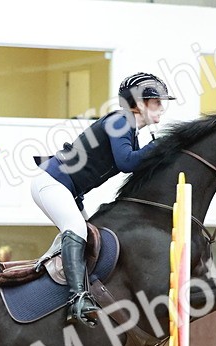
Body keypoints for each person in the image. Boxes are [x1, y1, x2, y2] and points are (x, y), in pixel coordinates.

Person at [31, 72, 174, 326]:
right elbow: (127, 162)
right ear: (139, 103)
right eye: (156, 102)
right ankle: (77, 299)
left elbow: (135, 161)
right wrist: (160, 145)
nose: (162, 108)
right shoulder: (121, 121)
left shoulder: (129, 128)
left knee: (88, 237)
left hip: (66, 190)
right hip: (52, 184)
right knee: (76, 230)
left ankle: (59, 292)